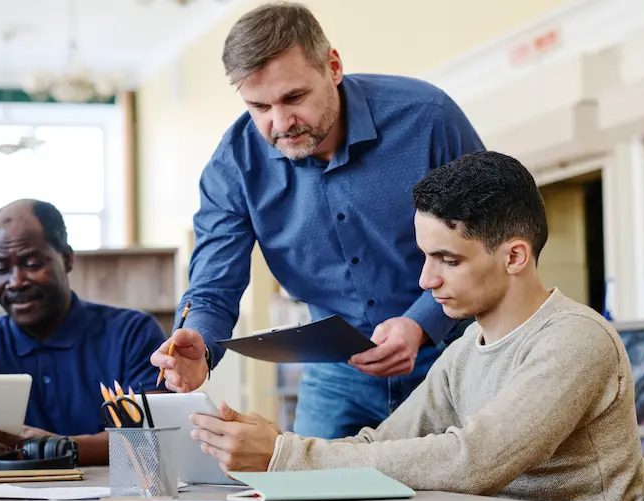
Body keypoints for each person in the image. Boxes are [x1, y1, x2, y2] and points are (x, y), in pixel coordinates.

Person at [175, 151, 644, 501]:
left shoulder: (576, 339)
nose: (425, 281)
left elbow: (473, 459)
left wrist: (288, 455)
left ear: (514, 257)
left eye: (448, 260)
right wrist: (278, 449)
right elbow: (379, 445)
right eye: (425, 256)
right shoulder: (468, 348)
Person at [151, 1, 485, 439]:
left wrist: (422, 323)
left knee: (463, 497)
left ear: (333, 66)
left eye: (294, 98)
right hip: (336, 375)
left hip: (455, 356)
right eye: (259, 106)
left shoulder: (428, 118)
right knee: (311, 496)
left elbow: (489, 236)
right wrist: (197, 342)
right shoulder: (234, 165)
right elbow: (213, 288)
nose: (281, 123)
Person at [0, 199, 167, 467]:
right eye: (1, 268)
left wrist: (55, 449)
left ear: (67, 258)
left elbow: (155, 434)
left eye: (32, 263)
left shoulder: (131, 333)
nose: (16, 281)